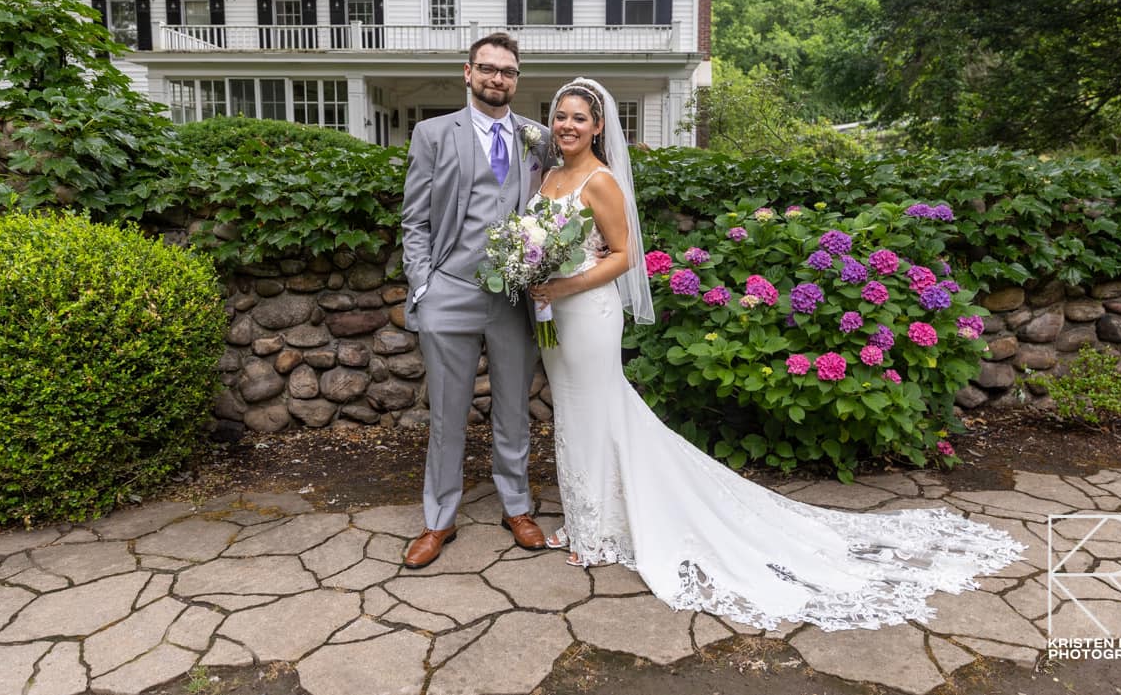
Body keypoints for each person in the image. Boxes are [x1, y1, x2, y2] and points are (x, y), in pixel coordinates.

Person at [528, 78, 1024, 631]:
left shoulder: (603, 182)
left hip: (587, 312)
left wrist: (563, 287)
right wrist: (530, 273)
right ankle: (583, 519)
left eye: (579, 118)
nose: (567, 126)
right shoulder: (549, 177)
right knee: (573, 415)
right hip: (552, 317)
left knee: (598, 413)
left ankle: (598, 532)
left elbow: (622, 257)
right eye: (560, 117)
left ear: (598, 126)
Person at [399, 33, 553, 569]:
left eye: (507, 71)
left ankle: (517, 506)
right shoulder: (433, 133)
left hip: (514, 298)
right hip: (450, 291)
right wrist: (423, 283)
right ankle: (439, 518)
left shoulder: (538, 138)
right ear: (468, 73)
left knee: (514, 407)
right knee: (447, 413)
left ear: (517, 79)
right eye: (487, 69)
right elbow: (415, 218)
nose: (497, 78)